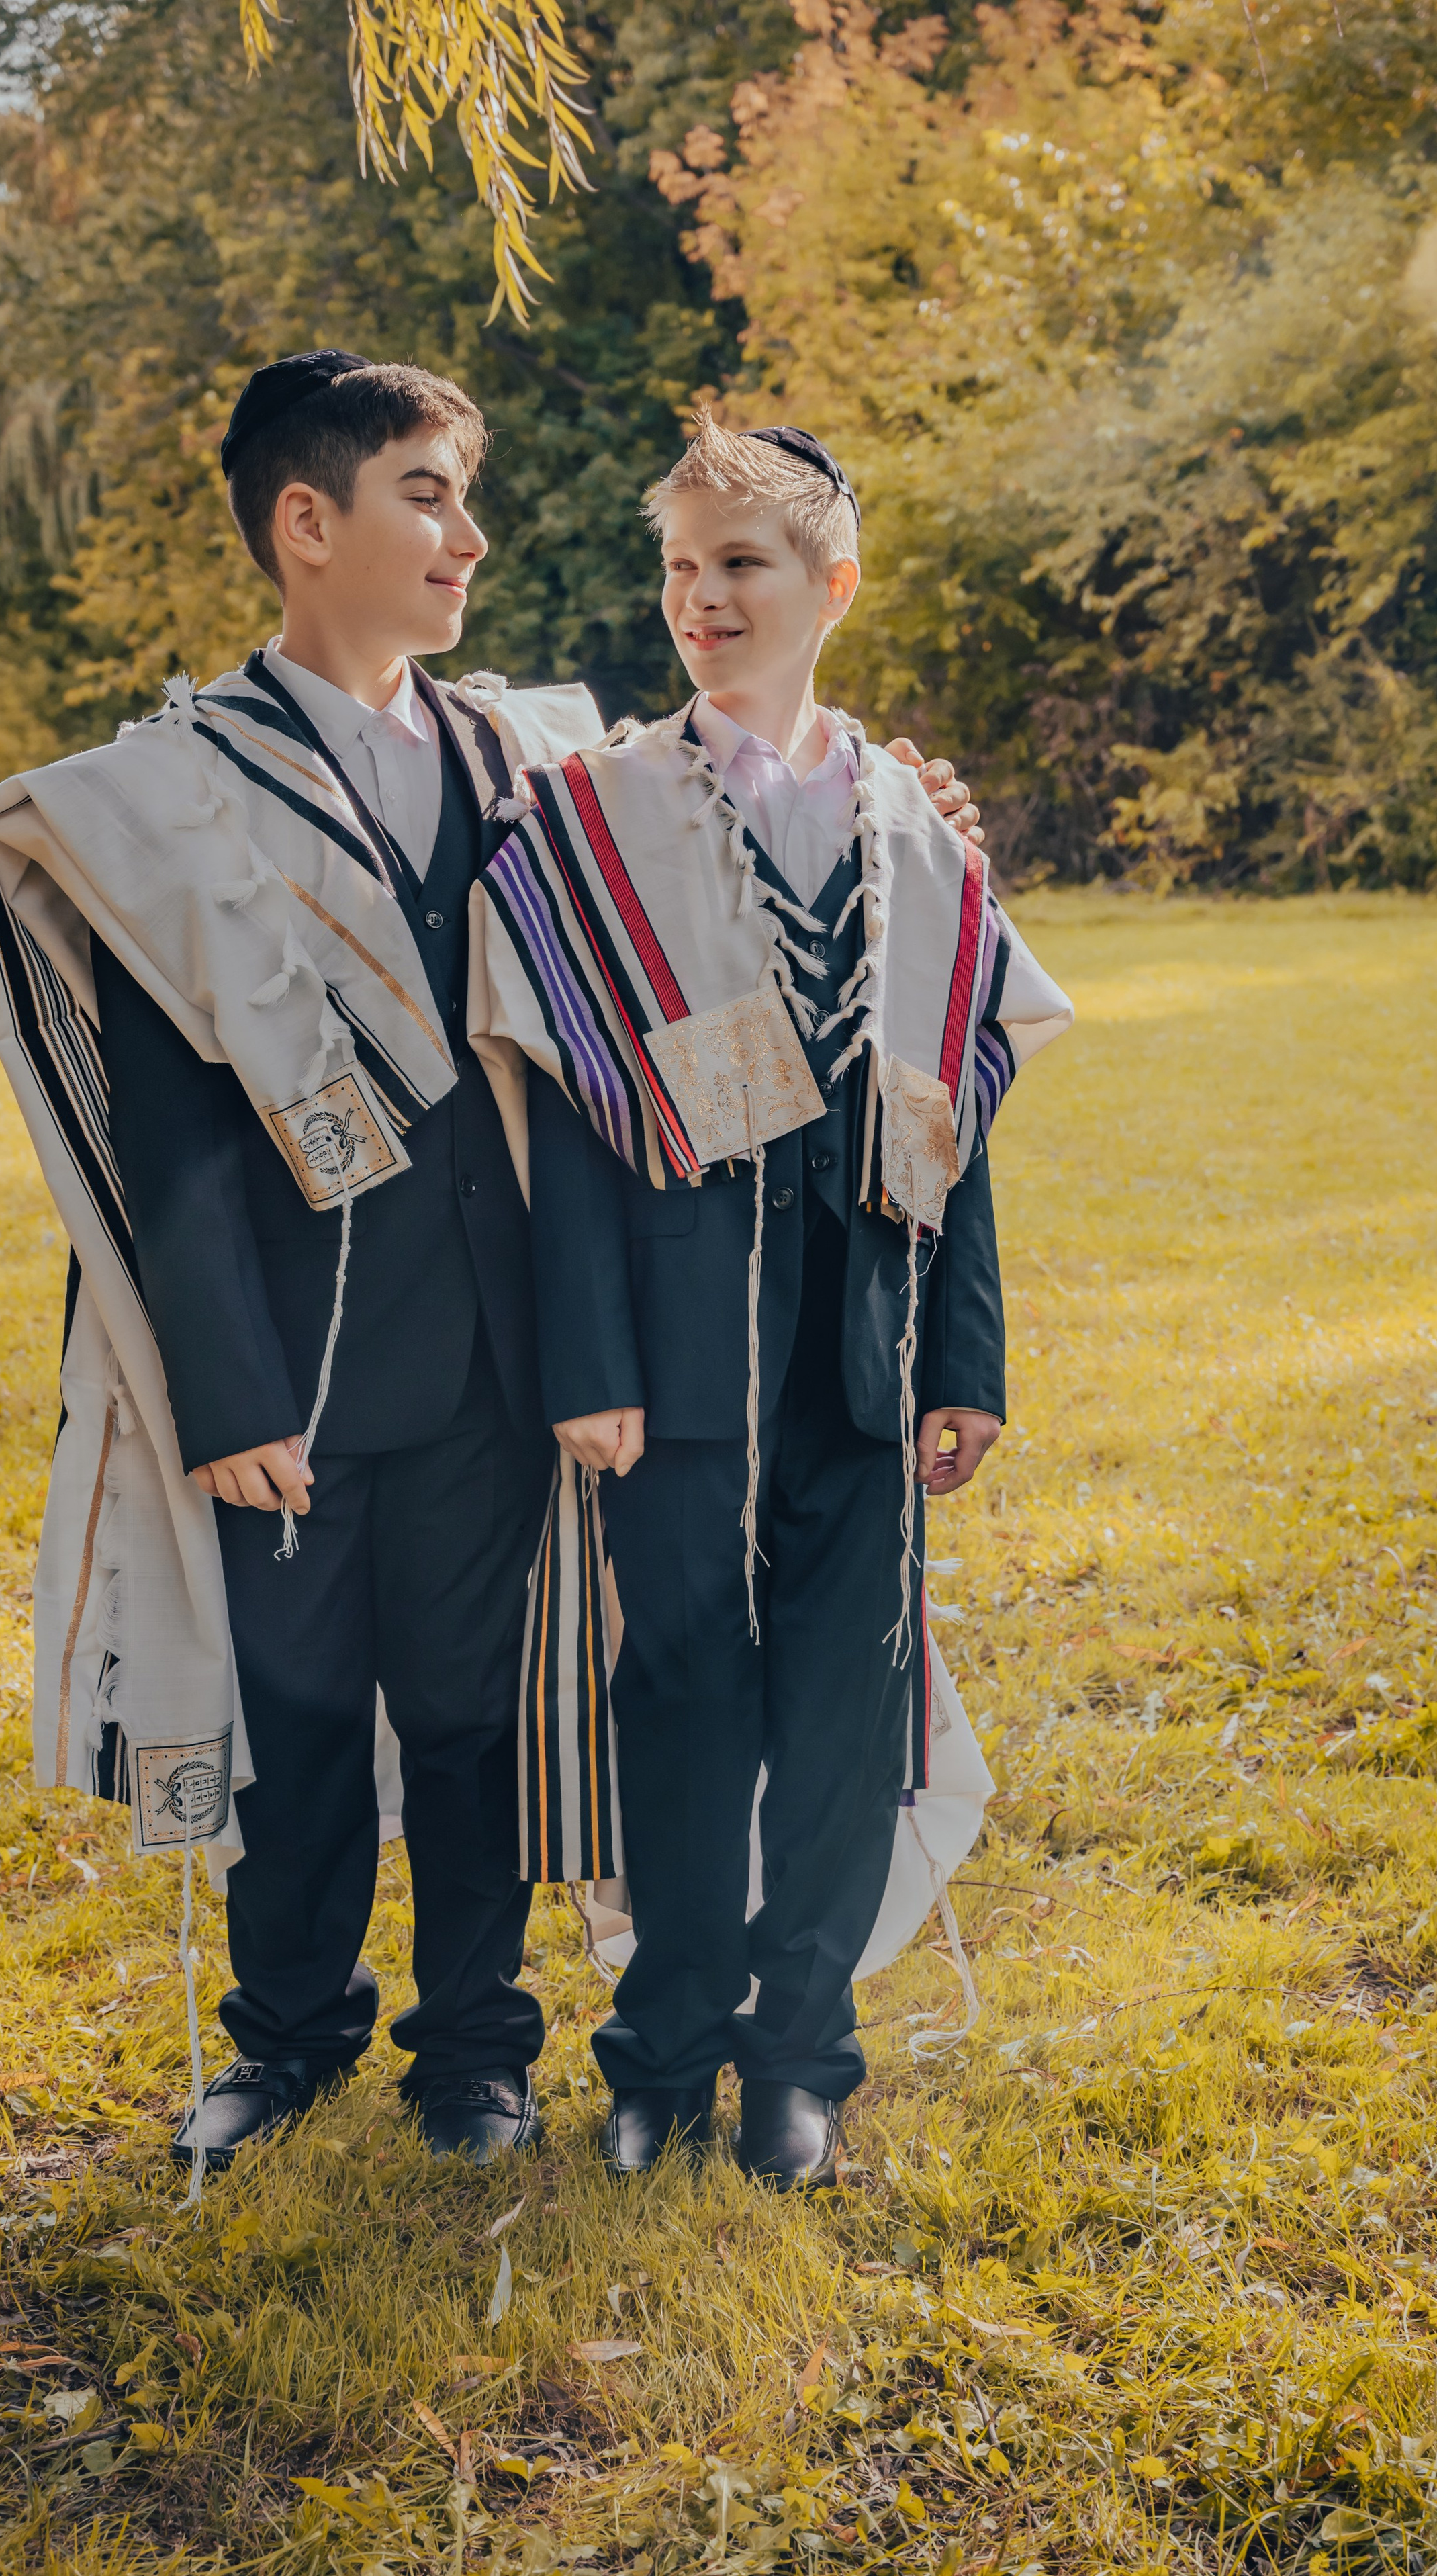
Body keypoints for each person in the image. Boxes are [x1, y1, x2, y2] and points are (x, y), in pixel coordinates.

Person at [0, 355, 990, 2179]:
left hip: (513, 1354)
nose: (470, 536)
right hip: (298, 1351)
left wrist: (906, 797)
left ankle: (478, 2045)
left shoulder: (526, 756)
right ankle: (281, 2038)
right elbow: (173, 1125)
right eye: (428, 496)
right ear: (308, 522)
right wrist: (222, 1383)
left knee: (472, 1718)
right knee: (286, 1717)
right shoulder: (170, 800)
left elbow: (733, 803)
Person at [471, 416, 1071, 2189]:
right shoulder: (592, 822)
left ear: (832, 584)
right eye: (681, 570)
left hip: (865, 1361)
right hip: (668, 1362)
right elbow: (568, 1130)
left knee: (838, 1711)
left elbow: (947, 1119)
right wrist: (584, 1360)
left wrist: (966, 1356)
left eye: (741, 565)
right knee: (682, 1699)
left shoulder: (916, 829)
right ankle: (659, 2044)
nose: (704, 600)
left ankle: (801, 2053)